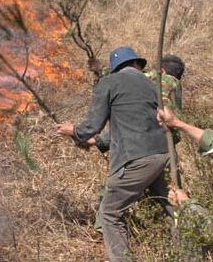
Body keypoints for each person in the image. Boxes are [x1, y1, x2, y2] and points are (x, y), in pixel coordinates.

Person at [58, 47, 169, 262]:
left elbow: (91, 126)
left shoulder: (109, 82)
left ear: (116, 68)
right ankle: (192, 250)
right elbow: (135, 124)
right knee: (172, 206)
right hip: (162, 155)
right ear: (136, 64)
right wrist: (98, 142)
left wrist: (74, 131)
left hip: (135, 160)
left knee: (109, 214)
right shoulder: (151, 84)